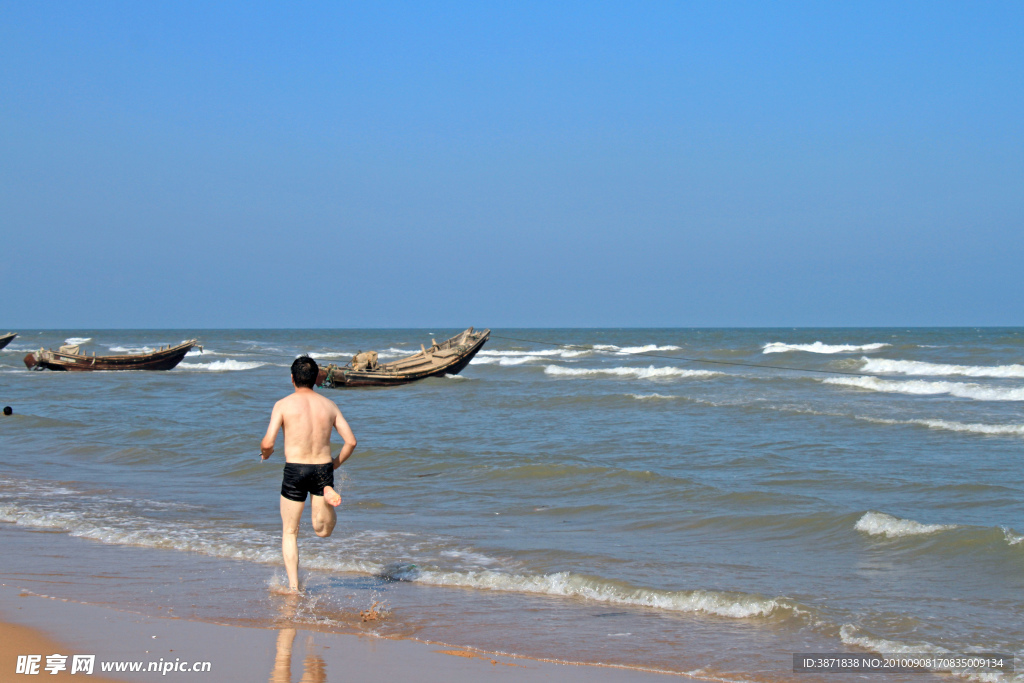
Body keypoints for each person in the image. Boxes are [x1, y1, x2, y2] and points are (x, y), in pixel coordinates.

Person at [260, 355, 357, 593]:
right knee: (323, 531)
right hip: (323, 468)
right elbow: (351, 442)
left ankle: (294, 588)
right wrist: (334, 464)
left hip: (295, 469)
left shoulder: (283, 404)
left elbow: (268, 441)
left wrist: (266, 452)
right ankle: (327, 492)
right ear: (316, 379)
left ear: (292, 378)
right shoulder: (330, 405)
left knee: (290, 532)